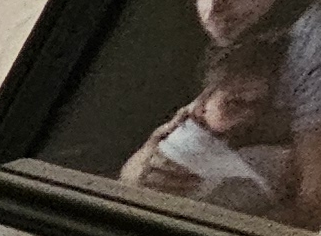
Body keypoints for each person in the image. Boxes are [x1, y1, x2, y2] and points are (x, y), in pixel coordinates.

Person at [125, 34, 300, 216]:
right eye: (235, 103)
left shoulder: (290, 156)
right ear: (202, 104)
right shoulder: (183, 135)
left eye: (268, 107)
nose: (250, 116)